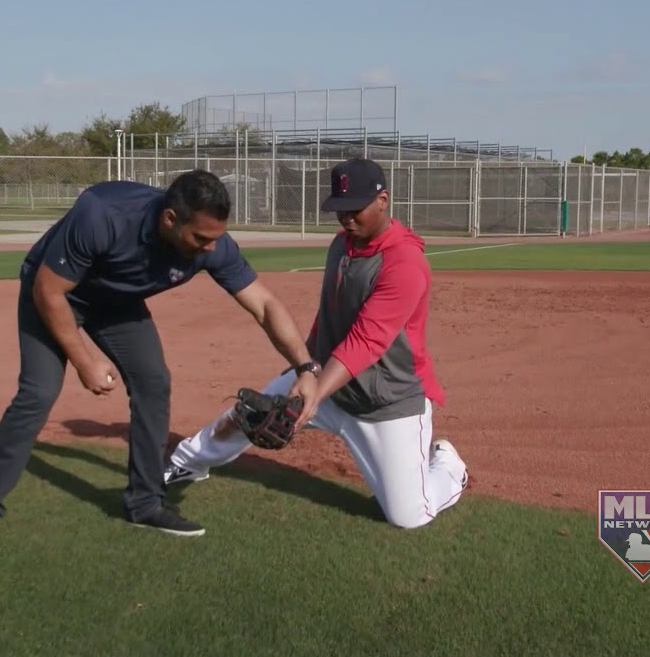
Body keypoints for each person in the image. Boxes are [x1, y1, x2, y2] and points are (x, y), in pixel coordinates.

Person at [0, 169, 323, 554]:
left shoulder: (211, 244)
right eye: (201, 238)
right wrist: (84, 362)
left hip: (115, 304)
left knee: (153, 382)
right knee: (39, 391)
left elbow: (264, 305)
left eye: (216, 239)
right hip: (54, 293)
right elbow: (49, 291)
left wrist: (304, 366)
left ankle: (145, 503)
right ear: (170, 219)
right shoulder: (103, 214)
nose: (210, 250)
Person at [162, 158, 469, 530]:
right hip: (328, 380)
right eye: (339, 210)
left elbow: (366, 341)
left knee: (409, 515)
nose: (346, 219)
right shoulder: (341, 245)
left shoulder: (405, 262)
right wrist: (302, 369)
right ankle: (187, 462)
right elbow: (328, 316)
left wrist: (312, 394)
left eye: (354, 210)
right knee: (251, 413)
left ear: (383, 200)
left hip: (387, 403)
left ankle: (450, 467)